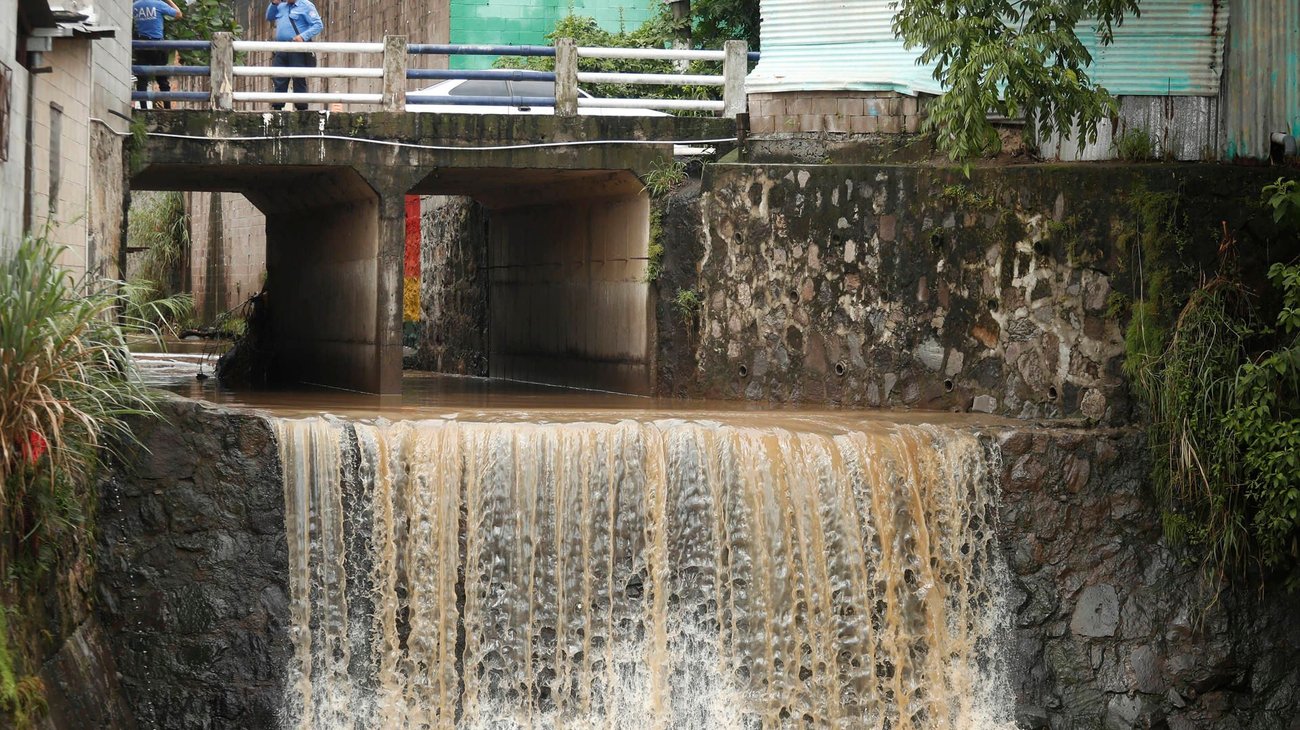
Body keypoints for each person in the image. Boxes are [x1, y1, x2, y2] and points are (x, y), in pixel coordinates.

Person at [266, 0, 323, 111]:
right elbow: (269, 17)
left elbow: (318, 25)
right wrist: (274, 4)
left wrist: (303, 36)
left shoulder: (306, 5)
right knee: (279, 78)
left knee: (299, 78)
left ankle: (301, 109)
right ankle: (277, 108)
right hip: (281, 48)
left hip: (297, 49)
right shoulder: (281, 6)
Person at [132, 0, 183, 109]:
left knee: (142, 80)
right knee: (162, 79)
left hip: (141, 45)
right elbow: (178, 14)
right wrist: (168, 0)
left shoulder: (135, 6)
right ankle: (167, 109)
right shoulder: (159, 4)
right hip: (157, 45)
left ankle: (143, 109)